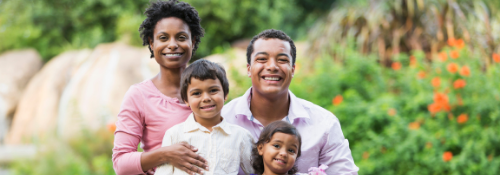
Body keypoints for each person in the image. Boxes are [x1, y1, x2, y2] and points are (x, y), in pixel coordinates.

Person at [221, 29, 360, 174]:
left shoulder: (324, 124)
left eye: (282, 60)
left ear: (293, 70)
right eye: (262, 59)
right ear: (249, 69)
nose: (272, 66)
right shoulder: (220, 120)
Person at [112, 1, 209, 174]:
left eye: (181, 37)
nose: (172, 45)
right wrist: (164, 154)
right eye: (163, 38)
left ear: (192, 42)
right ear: (151, 43)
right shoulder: (139, 96)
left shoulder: (209, 90)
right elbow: (121, 163)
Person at [154, 59, 254, 175]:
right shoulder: (174, 135)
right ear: (186, 100)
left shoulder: (241, 136)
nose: (206, 98)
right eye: (197, 93)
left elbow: (256, 171)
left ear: (225, 94)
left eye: (213, 90)